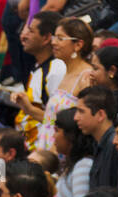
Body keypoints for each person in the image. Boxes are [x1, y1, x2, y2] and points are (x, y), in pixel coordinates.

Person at [11, 11, 68, 152]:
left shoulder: (56, 70)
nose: (24, 36)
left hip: (44, 154)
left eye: (30, 31)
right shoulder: (37, 68)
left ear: (46, 38)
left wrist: (28, 109)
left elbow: (60, 121)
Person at [37, 18, 94, 154]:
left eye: (60, 38)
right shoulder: (65, 73)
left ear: (78, 45)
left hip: (62, 152)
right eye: (54, 37)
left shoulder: (86, 77)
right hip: (47, 148)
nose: (53, 42)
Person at [75, 88, 118, 192]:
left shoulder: (113, 144)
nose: (76, 117)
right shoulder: (99, 143)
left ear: (100, 115)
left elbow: (108, 193)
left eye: (81, 111)